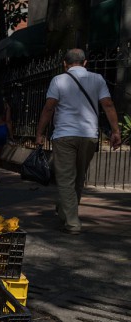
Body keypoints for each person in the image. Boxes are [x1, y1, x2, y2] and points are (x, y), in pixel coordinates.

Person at [36, 48, 122, 235]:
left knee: (66, 179)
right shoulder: (98, 79)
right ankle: (65, 210)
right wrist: (115, 131)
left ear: (64, 64)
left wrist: (39, 133)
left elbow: (49, 108)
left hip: (64, 135)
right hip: (89, 135)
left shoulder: (58, 80)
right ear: (85, 63)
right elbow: (107, 104)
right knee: (78, 176)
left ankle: (72, 222)